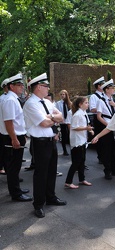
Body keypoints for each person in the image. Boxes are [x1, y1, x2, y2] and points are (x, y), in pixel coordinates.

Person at [23, 73, 67, 218]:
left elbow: (61, 117)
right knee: (41, 174)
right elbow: (44, 123)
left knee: (51, 171)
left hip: (51, 141)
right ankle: (38, 204)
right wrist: (52, 119)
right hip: (40, 143)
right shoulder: (31, 104)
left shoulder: (47, 102)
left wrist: (51, 118)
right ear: (38, 87)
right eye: (46, 86)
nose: (48, 88)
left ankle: (51, 197)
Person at [0, 73, 32, 202]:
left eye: (22, 85)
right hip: (13, 137)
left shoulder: (11, 98)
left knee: (14, 166)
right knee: (14, 167)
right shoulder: (10, 100)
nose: (22, 87)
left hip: (14, 135)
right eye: (19, 85)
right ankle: (16, 193)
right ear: (11, 86)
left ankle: (15, 189)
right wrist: (14, 138)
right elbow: (9, 121)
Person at [65, 96, 94, 189]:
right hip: (77, 141)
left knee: (82, 161)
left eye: (87, 102)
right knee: (76, 162)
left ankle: (82, 179)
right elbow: (74, 127)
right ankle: (68, 181)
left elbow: (87, 124)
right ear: (80, 104)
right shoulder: (77, 114)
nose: (88, 104)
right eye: (86, 103)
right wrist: (86, 128)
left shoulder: (84, 113)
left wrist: (89, 130)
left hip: (82, 140)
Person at [96, 79, 115, 180]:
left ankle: (114, 169)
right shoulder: (101, 100)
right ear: (106, 89)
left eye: (114, 87)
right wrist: (108, 126)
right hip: (107, 126)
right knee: (107, 149)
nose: (114, 89)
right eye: (112, 88)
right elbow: (99, 116)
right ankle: (107, 170)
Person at [89, 76, 105, 164]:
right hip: (98, 118)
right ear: (99, 86)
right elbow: (92, 109)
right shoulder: (94, 97)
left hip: (106, 117)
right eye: (103, 84)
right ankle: (100, 156)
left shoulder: (105, 95)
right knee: (100, 137)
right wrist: (101, 109)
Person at [56, 90, 72, 156]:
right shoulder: (58, 103)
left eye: (64, 94)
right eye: (61, 94)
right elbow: (57, 112)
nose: (63, 95)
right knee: (64, 136)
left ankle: (72, 149)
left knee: (70, 136)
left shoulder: (69, 103)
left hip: (69, 122)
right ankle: (64, 150)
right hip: (62, 122)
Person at [0, 78, 9, 175]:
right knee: (5, 152)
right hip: (4, 129)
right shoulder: (4, 99)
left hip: (3, 129)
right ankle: (7, 170)